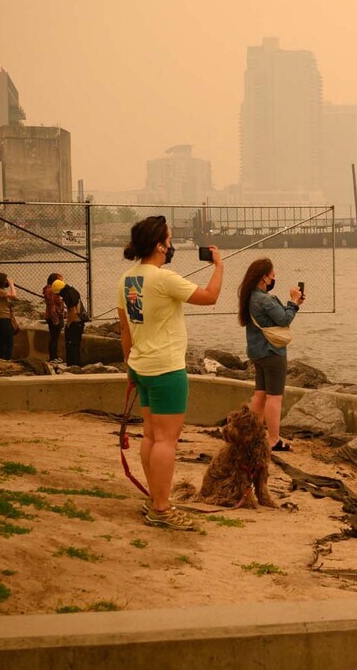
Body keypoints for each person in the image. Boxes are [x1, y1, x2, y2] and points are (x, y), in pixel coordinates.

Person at [117, 216, 223, 530]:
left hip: (142, 365)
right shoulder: (164, 279)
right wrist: (218, 267)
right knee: (166, 440)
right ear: (160, 245)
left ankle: (156, 499)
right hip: (166, 369)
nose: (172, 244)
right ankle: (162, 508)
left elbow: (125, 328)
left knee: (151, 436)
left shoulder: (127, 278)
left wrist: (129, 366)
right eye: (170, 238)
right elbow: (210, 297)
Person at [238, 258, 303, 452]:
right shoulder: (265, 299)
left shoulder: (249, 296)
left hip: (257, 352)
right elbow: (284, 319)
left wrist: (293, 304)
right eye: (273, 275)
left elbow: (275, 316)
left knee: (260, 394)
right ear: (264, 278)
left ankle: (250, 434)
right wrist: (293, 301)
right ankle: (273, 439)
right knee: (275, 397)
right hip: (272, 352)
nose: (274, 278)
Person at [52, 278, 85, 366]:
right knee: (75, 345)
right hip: (79, 322)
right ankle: (76, 363)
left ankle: (73, 364)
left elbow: (73, 311)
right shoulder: (72, 291)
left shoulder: (69, 295)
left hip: (75, 323)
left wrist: (68, 324)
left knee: (71, 345)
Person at [43, 273, 65, 363]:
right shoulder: (51, 290)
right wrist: (55, 318)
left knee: (55, 337)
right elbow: (51, 305)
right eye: (60, 280)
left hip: (54, 314)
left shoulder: (48, 289)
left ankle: (54, 356)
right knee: (54, 337)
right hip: (54, 316)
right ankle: (53, 357)